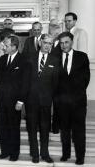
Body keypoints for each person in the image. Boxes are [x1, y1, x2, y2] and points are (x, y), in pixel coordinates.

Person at [25, 34, 59, 163]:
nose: (48, 45)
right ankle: (35, 154)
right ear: (40, 43)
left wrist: (52, 99)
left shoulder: (55, 60)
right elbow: (25, 81)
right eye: (45, 42)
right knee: (32, 128)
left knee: (45, 128)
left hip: (46, 101)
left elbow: (56, 83)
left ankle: (45, 153)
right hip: (31, 101)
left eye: (50, 43)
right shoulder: (30, 58)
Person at [57, 32, 90, 165]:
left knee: (79, 130)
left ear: (72, 42)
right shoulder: (55, 57)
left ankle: (80, 157)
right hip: (62, 101)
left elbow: (85, 79)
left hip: (78, 101)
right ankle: (66, 154)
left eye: (66, 42)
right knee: (64, 129)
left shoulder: (82, 57)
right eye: (61, 43)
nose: (64, 45)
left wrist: (73, 94)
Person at [0, 35, 29, 161]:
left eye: (6, 45)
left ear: (14, 47)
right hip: (2, 100)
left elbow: (25, 83)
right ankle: (5, 151)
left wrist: (21, 101)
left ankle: (14, 153)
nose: (3, 47)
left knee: (14, 128)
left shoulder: (24, 60)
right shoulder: (3, 59)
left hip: (15, 102)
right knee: (3, 127)